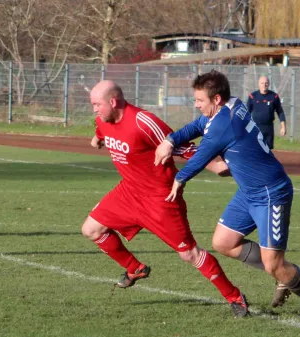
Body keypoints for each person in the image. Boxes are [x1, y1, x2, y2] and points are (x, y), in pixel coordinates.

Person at [155, 70, 300, 320]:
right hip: (248, 192)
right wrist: (172, 140)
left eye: (200, 100)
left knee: (275, 264)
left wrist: (179, 179)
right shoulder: (232, 103)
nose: (196, 105)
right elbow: (197, 126)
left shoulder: (223, 124)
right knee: (224, 242)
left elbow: (203, 154)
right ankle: (282, 274)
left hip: (271, 192)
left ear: (216, 99)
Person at [81, 80, 249, 318]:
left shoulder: (143, 122)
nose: (94, 110)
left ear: (113, 101)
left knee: (189, 254)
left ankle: (234, 296)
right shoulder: (103, 120)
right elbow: (102, 132)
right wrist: (97, 138)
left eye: (97, 104)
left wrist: (216, 165)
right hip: (128, 192)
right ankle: (134, 268)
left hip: (161, 198)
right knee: (91, 229)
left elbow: (178, 146)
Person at [246, 76, 286, 149]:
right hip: (256, 127)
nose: (264, 85)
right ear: (259, 84)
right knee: (256, 149)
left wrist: (283, 127)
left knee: (267, 151)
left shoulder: (274, 96)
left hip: (268, 128)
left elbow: (280, 112)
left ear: (269, 84)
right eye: (262, 83)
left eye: (266, 83)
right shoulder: (253, 96)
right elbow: (246, 114)